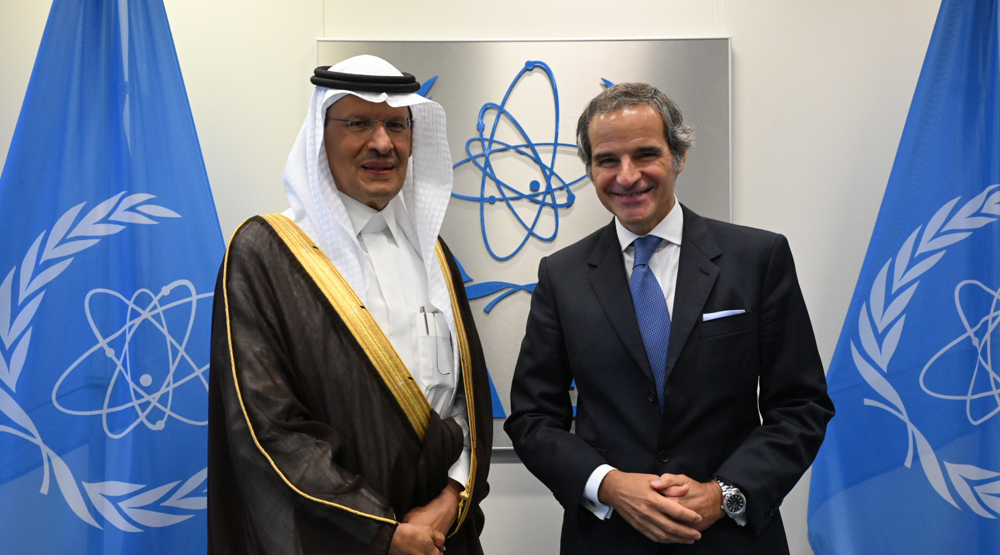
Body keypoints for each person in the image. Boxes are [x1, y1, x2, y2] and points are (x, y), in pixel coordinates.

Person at [504, 82, 834, 554]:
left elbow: (802, 406)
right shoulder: (561, 275)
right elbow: (534, 417)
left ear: (679, 156)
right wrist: (610, 485)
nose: (627, 175)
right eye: (607, 160)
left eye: (645, 154)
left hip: (731, 539)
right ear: (590, 168)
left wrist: (724, 494)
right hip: (610, 539)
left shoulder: (758, 258)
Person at [208, 55, 492, 555]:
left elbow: (465, 403)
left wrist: (452, 495)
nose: (382, 143)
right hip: (332, 538)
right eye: (358, 123)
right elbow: (268, 426)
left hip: (442, 537)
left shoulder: (434, 255)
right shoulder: (266, 254)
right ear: (322, 135)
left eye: (396, 125)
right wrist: (382, 533)